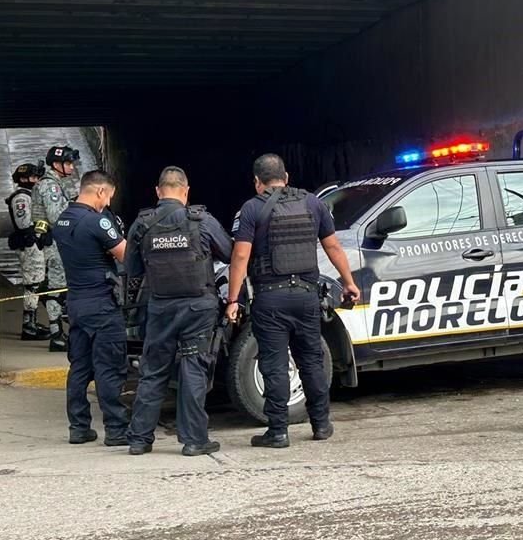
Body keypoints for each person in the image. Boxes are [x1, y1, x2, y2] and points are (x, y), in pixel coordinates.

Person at [225, 153, 360, 448]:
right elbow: (333, 246)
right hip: (306, 296)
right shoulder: (313, 203)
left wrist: (233, 299)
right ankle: (321, 424)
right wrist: (348, 282)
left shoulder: (251, 208)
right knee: (311, 360)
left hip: (271, 299)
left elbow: (240, 256)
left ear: (257, 182)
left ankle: (278, 431)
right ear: (286, 178)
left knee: (273, 364)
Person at [125, 167, 233, 457]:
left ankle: (139, 439)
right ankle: (194, 440)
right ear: (186, 191)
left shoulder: (142, 224)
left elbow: (132, 270)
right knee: (193, 368)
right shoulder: (202, 220)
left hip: (160, 307)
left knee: (153, 370)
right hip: (198, 307)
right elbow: (228, 252)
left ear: (158, 191)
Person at [52, 170, 130, 445]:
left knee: (80, 368)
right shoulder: (97, 222)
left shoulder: (61, 221)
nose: (107, 203)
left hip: (76, 303)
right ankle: (117, 430)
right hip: (101, 304)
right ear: (99, 192)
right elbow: (127, 255)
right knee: (109, 367)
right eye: (108, 197)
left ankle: (79, 427)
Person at [30, 145, 82, 352]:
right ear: (56, 164)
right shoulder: (50, 186)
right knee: (57, 288)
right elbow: (57, 218)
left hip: (56, 243)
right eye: (68, 163)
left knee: (58, 287)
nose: (71, 167)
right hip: (55, 244)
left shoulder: (55, 183)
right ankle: (57, 335)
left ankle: (58, 332)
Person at [6, 162, 51, 341]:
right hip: (30, 246)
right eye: (34, 177)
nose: (37, 180)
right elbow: (24, 225)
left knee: (38, 282)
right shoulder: (22, 198)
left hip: (36, 245)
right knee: (32, 284)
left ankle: (31, 323)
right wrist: (39, 234)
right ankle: (29, 326)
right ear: (24, 178)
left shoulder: (30, 195)